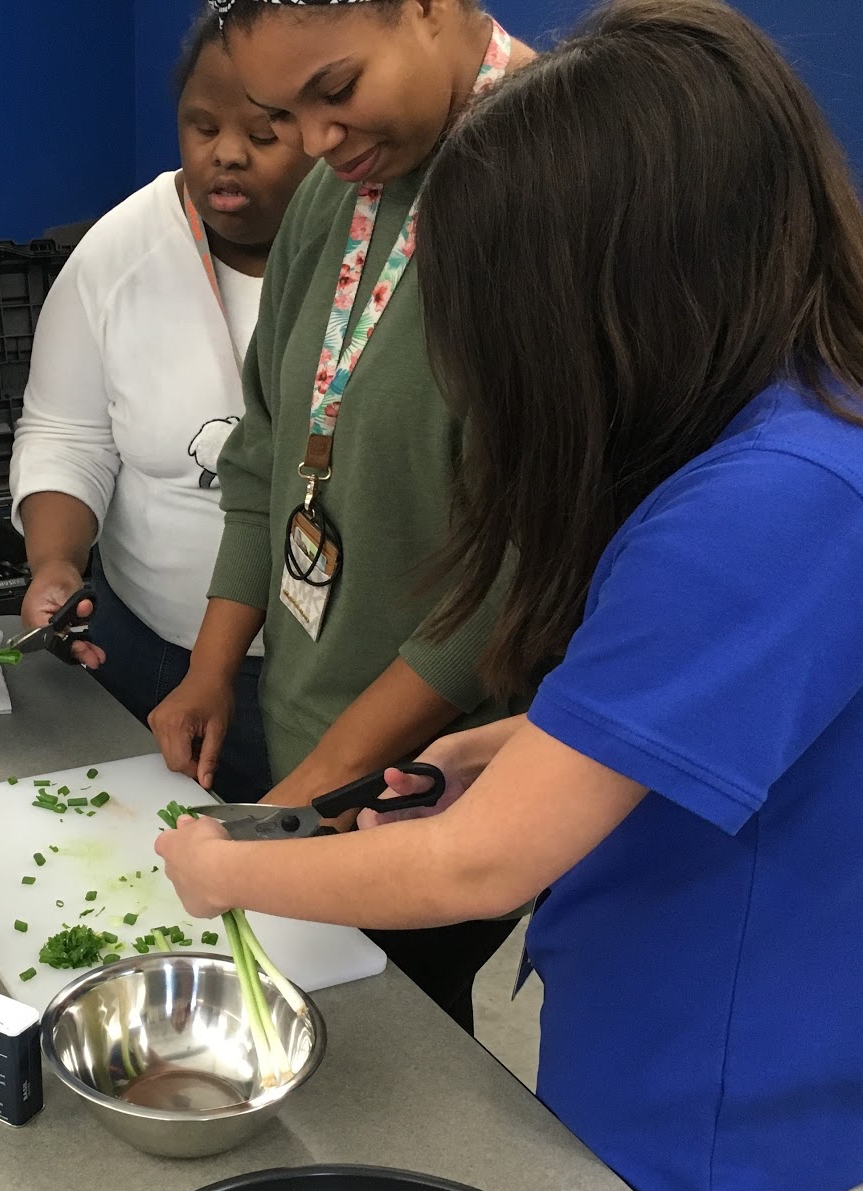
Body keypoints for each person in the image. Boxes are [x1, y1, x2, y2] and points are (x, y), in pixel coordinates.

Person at [157, 0, 863, 1191]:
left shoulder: (782, 504)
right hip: (697, 1021)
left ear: (612, 283)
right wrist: (515, 740)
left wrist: (222, 865)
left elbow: (475, 868)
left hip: (706, 1101)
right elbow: (744, 713)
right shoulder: (827, 425)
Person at [148, 0, 536, 1030]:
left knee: (396, 1040)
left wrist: (312, 794)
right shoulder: (337, 192)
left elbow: (504, 590)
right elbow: (271, 446)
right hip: (315, 735)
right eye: (286, 111)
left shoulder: (551, 184)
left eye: (335, 91)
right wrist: (214, 665)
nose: (315, 143)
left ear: (429, 9)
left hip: (438, 768)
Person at [9, 13, 313, 804]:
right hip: (149, 656)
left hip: (331, 682)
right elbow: (66, 434)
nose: (226, 153)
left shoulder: (371, 256)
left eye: (263, 131)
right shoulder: (118, 252)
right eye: (201, 126)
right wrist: (55, 562)